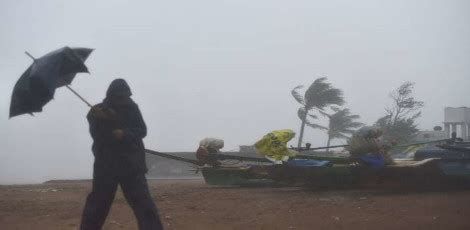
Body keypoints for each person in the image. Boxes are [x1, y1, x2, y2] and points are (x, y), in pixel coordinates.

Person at [80, 79, 163, 230]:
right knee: (98, 204)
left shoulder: (132, 107)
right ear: (111, 94)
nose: (122, 99)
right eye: (119, 96)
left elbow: (141, 130)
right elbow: (98, 136)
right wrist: (97, 119)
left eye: (124, 96)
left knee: (144, 205)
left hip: (131, 165)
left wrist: (124, 133)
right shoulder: (97, 111)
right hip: (106, 166)